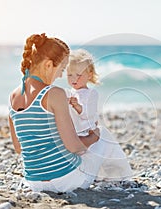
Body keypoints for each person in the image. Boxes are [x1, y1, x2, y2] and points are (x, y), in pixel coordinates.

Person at [8, 33, 101, 193]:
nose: (60, 75)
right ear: (48, 65)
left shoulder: (13, 97)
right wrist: (93, 137)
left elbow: (18, 148)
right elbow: (73, 146)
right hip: (67, 180)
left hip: (34, 182)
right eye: (62, 69)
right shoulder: (54, 93)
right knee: (100, 143)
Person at [65, 49, 133, 181]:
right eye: (69, 75)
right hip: (74, 129)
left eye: (78, 75)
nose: (74, 79)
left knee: (94, 154)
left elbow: (88, 114)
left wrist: (77, 107)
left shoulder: (91, 93)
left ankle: (108, 174)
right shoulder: (69, 92)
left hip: (86, 129)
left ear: (89, 75)